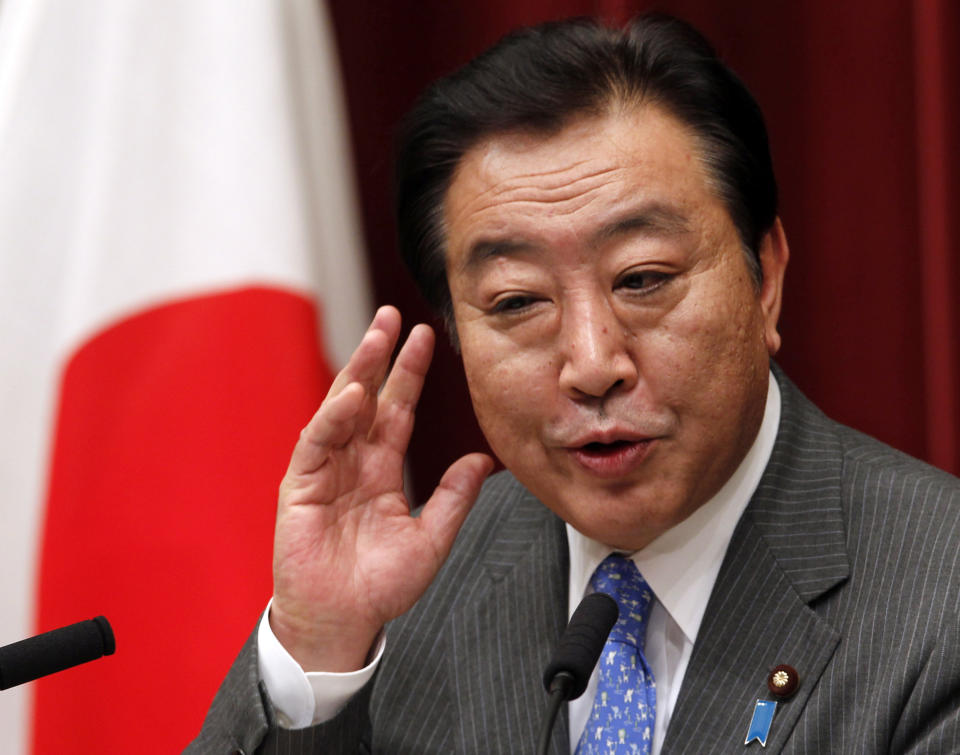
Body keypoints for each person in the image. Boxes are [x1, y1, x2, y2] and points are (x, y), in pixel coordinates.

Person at [187, 15, 960, 754]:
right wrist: (319, 650)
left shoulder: (938, 593)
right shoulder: (407, 595)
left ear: (766, 280)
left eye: (643, 278)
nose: (593, 364)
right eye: (518, 301)